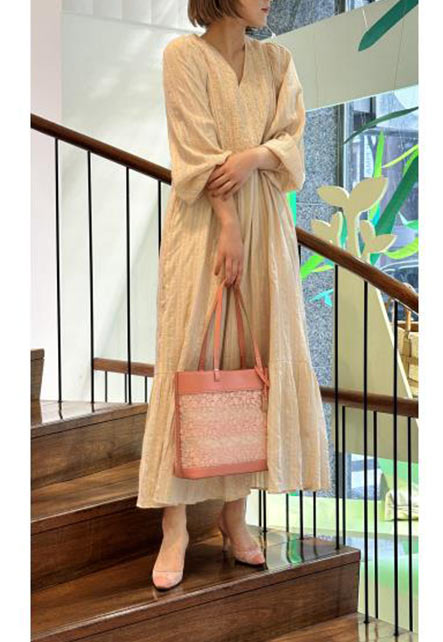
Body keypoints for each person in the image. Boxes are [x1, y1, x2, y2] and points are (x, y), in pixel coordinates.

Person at [137, 0, 331, 590]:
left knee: (252, 363)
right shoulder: (183, 57)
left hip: (268, 228)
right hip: (206, 228)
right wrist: (228, 225)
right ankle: (174, 525)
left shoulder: (277, 60)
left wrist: (253, 157)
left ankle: (234, 516)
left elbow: (291, 142)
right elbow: (196, 155)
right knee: (190, 360)